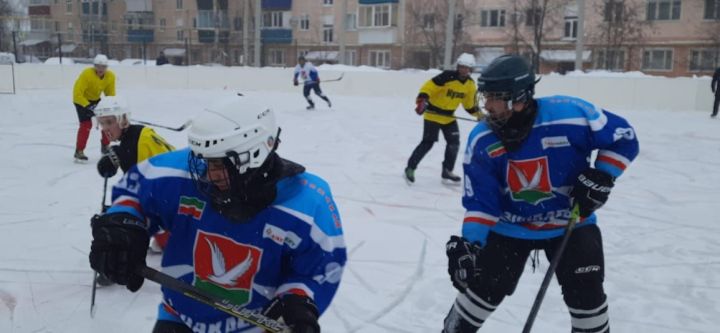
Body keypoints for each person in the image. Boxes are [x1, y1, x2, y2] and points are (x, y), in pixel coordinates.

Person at [89, 96, 347, 333]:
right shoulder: (186, 173)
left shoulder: (307, 201)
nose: (210, 173)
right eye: (206, 160)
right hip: (179, 318)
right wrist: (124, 222)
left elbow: (319, 267)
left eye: (221, 163)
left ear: (257, 151)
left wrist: (298, 299)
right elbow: (136, 192)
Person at [442, 55, 639, 333]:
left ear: (519, 97)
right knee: (477, 296)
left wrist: (602, 174)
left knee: (588, 304)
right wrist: (470, 245)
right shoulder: (483, 139)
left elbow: (624, 136)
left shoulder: (572, 114)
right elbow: (482, 203)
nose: (487, 105)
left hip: (572, 222)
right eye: (485, 96)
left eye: (495, 97)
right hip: (509, 228)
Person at [94, 96, 175, 254]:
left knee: (120, 218)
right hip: (168, 197)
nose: (105, 128)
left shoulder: (139, 140)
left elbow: (152, 186)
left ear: (123, 120)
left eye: (110, 122)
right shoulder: (131, 138)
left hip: (173, 199)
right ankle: (166, 238)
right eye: (102, 123)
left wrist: (118, 214)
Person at [404, 53, 481, 185]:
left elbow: (470, 105)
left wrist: (481, 116)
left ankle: (447, 170)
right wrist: (423, 99)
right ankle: (410, 168)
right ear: (458, 66)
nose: (464, 70)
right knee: (428, 143)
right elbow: (429, 87)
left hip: (449, 117)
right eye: (461, 67)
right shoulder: (447, 76)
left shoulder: (470, 85)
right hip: (433, 114)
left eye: (467, 68)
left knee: (454, 143)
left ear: (471, 70)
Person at [72, 54, 116, 162]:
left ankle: (105, 146)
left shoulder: (110, 76)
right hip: (81, 100)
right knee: (86, 125)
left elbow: (110, 94)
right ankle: (79, 151)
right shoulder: (87, 74)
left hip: (96, 100)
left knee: (108, 121)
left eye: (103, 67)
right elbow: (77, 94)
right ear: (94, 66)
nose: (100, 69)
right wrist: (87, 105)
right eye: (98, 66)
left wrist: (112, 106)